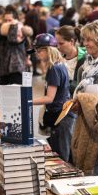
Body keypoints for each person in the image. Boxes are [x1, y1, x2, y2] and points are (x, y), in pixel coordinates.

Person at [72, 20, 98, 180]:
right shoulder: (83, 67)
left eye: (89, 39)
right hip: (88, 126)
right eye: (84, 39)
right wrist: (75, 104)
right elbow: (78, 94)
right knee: (89, 171)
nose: (85, 44)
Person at [32, 33, 75, 162]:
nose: (37, 54)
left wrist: (27, 101)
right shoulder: (58, 65)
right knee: (64, 154)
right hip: (61, 114)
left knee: (62, 157)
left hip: (61, 116)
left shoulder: (54, 68)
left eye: (40, 50)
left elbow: (49, 98)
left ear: (49, 50)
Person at [0, 5, 32, 85]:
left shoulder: (20, 29)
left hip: (17, 69)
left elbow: (29, 47)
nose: (7, 22)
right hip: (1, 70)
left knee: (17, 95)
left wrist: (28, 57)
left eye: (10, 20)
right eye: (5, 20)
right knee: (3, 95)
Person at [55, 25, 86, 95]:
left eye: (61, 43)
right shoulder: (57, 59)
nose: (58, 47)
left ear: (72, 41)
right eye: (57, 43)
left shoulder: (85, 58)